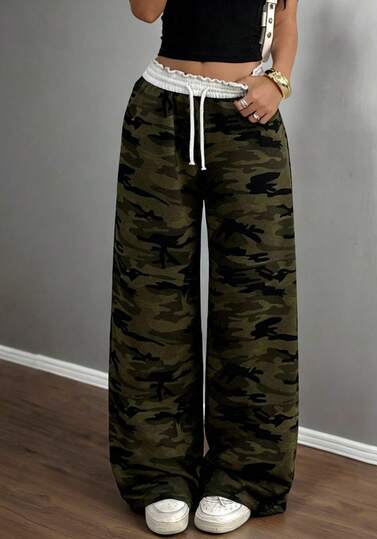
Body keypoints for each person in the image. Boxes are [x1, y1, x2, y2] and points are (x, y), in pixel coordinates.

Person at [108, 0, 299, 535]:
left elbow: (287, 18)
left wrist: (279, 81)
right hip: (160, 112)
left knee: (256, 299)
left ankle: (245, 476)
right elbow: (145, 12)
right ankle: (158, 475)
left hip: (247, 117)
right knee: (150, 298)